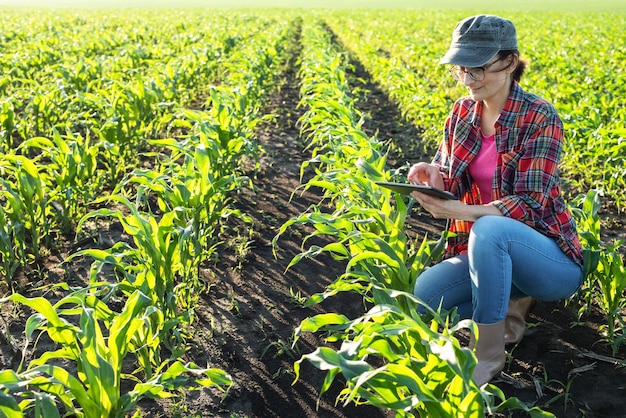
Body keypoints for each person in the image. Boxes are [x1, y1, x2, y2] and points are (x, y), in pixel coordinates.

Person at [407, 14, 583, 387]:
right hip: (486, 250)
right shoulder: (461, 112)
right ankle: (506, 301)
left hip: (546, 257)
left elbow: (530, 204)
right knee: (426, 296)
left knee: (489, 228)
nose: (468, 80)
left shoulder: (539, 115)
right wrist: (434, 174)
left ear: (509, 61)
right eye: (461, 70)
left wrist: (462, 211)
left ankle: (488, 355)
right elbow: (453, 177)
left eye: (478, 69)